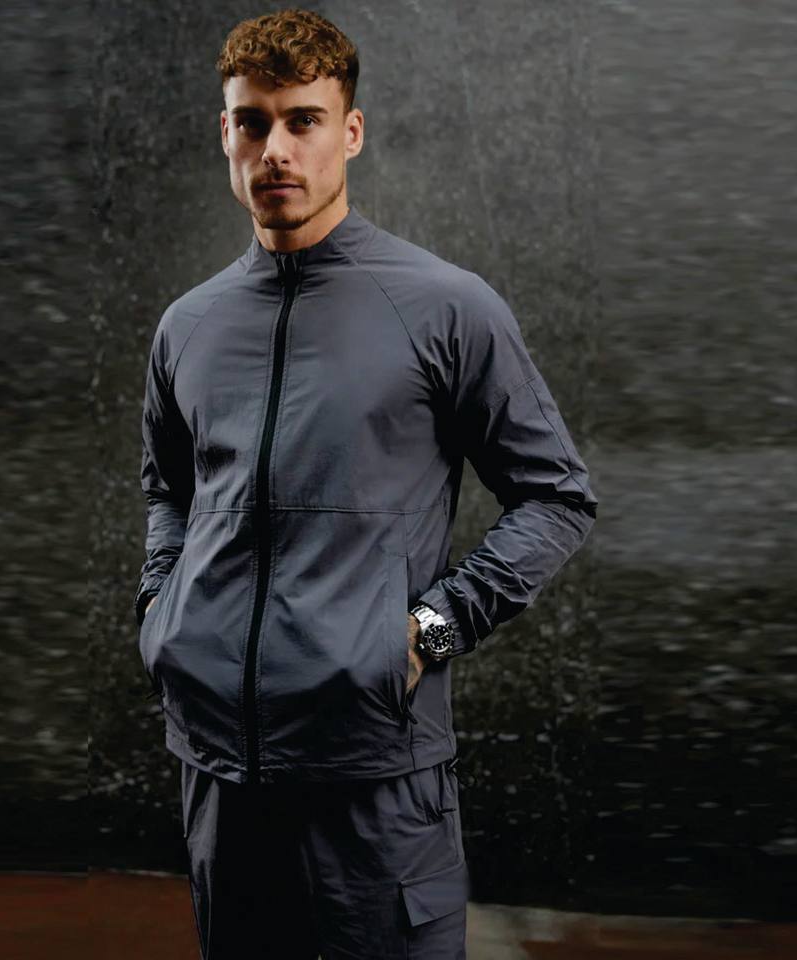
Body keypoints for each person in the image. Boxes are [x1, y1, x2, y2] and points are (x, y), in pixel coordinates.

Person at [133, 9, 598, 959]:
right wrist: (162, 610)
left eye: (302, 120)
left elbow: (555, 497)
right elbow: (167, 490)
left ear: (348, 131)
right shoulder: (189, 325)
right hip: (218, 765)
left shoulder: (444, 306)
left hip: (373, 769)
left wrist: (430, 630)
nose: (275, 149)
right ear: (225, 133)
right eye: (252, 122)